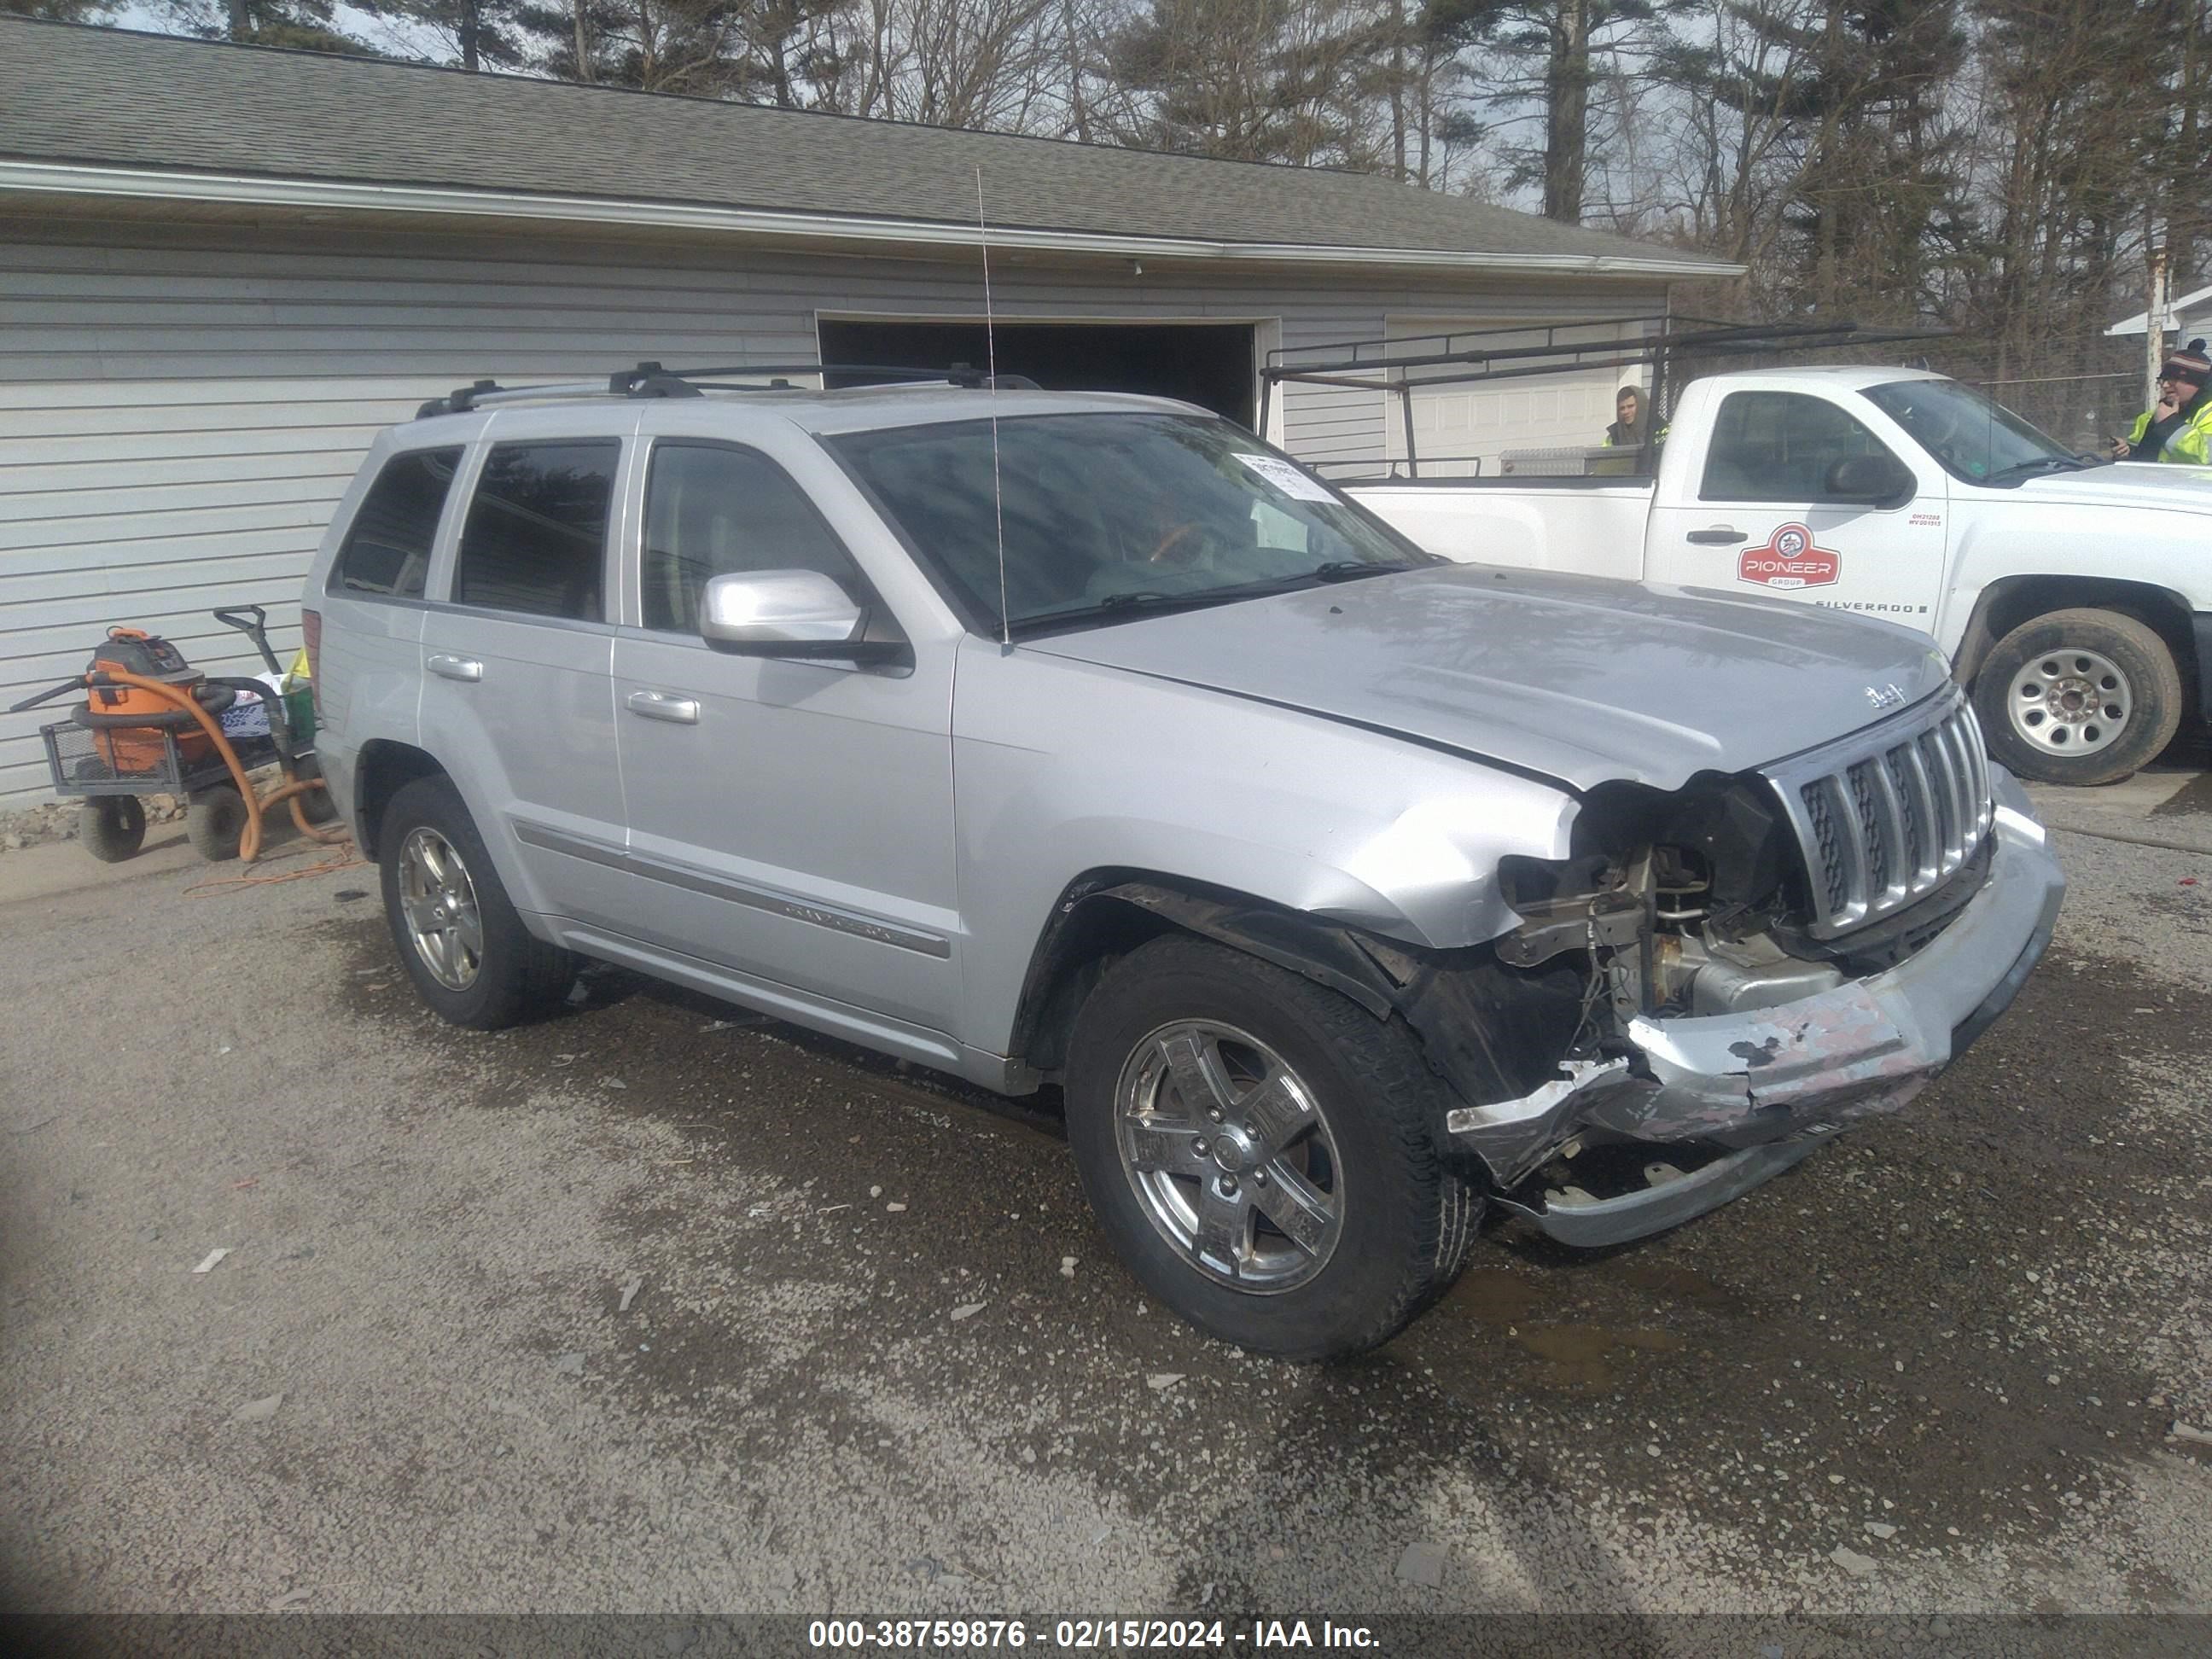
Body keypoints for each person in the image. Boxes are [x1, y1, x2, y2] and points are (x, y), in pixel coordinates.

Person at [2114, 340, 2212, 463]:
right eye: (2163, 379)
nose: (2165, 385)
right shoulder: (2150, 417)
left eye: (2173, 380)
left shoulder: (2208, 414)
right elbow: (2141, 456)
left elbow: (2207, 455)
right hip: (2149, 481)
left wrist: (2170, 424)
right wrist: (2126, 453)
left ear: (2197, 383)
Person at [1603, 386, 1650, 450]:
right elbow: (1605, 457)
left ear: (1641, 406)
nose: (1626, 412)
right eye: (1622, 408)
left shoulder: (1658, 429)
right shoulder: (1614, 435)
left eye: (1630, 406)